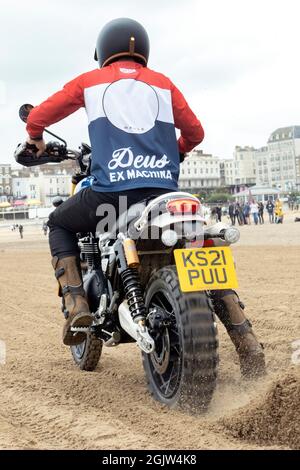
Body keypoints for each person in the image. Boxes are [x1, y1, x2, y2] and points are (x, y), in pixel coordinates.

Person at [24, 18, 265, 377]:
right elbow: (195, 132)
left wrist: (36, 138)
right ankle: (249, 347)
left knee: (59, 222)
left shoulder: (90, 82)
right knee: (198, 246)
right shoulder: (164, 84)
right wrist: (178, 151)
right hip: (166, 193)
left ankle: (76, 304)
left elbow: (40, 117)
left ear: (103, 52)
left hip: (112, 195)